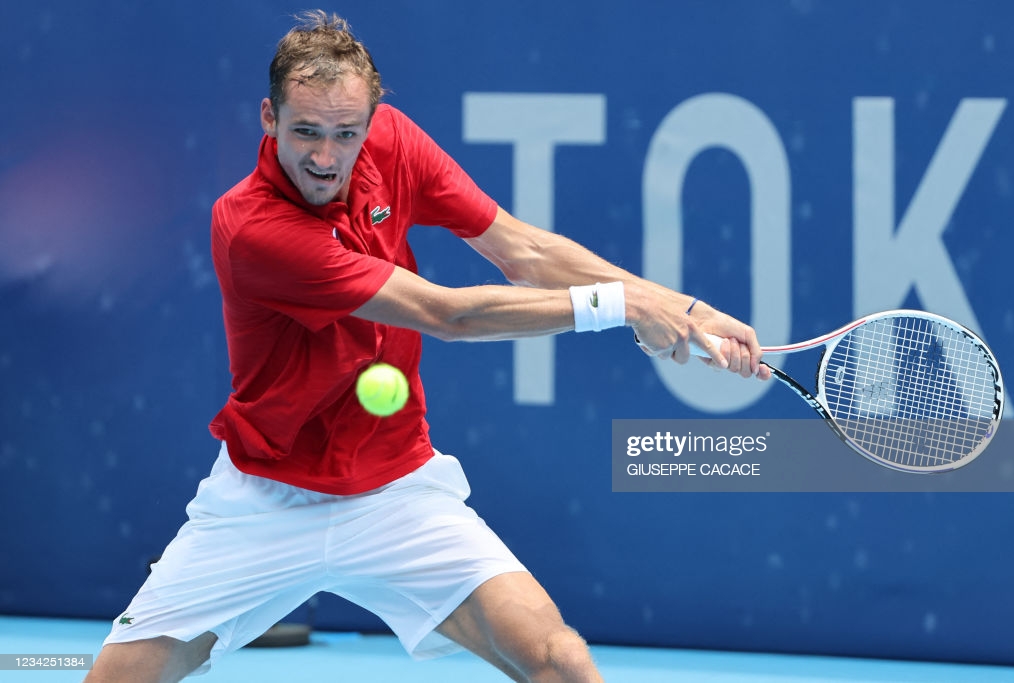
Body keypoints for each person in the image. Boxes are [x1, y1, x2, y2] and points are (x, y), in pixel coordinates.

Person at [85, 10, 769, 683]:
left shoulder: (395, 143)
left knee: (560, 660)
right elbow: (449, 315)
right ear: (268, 117)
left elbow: (522, 249)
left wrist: (683, 306)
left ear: (372, 122)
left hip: (397, 491)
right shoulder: (250, 228)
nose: (324, 157)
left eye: (345, 133)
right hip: (264, 499)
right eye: (305, 132)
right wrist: (622, 306)